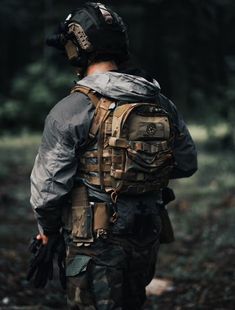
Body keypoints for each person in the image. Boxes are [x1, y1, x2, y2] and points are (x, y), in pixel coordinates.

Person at [28, 2, 197, 309]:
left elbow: (48, 192)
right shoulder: (159, 101)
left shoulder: (71, 109)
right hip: (146, 231)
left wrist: (47, 232)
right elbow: (187, 163)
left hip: (93, 237)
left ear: (76, 48)